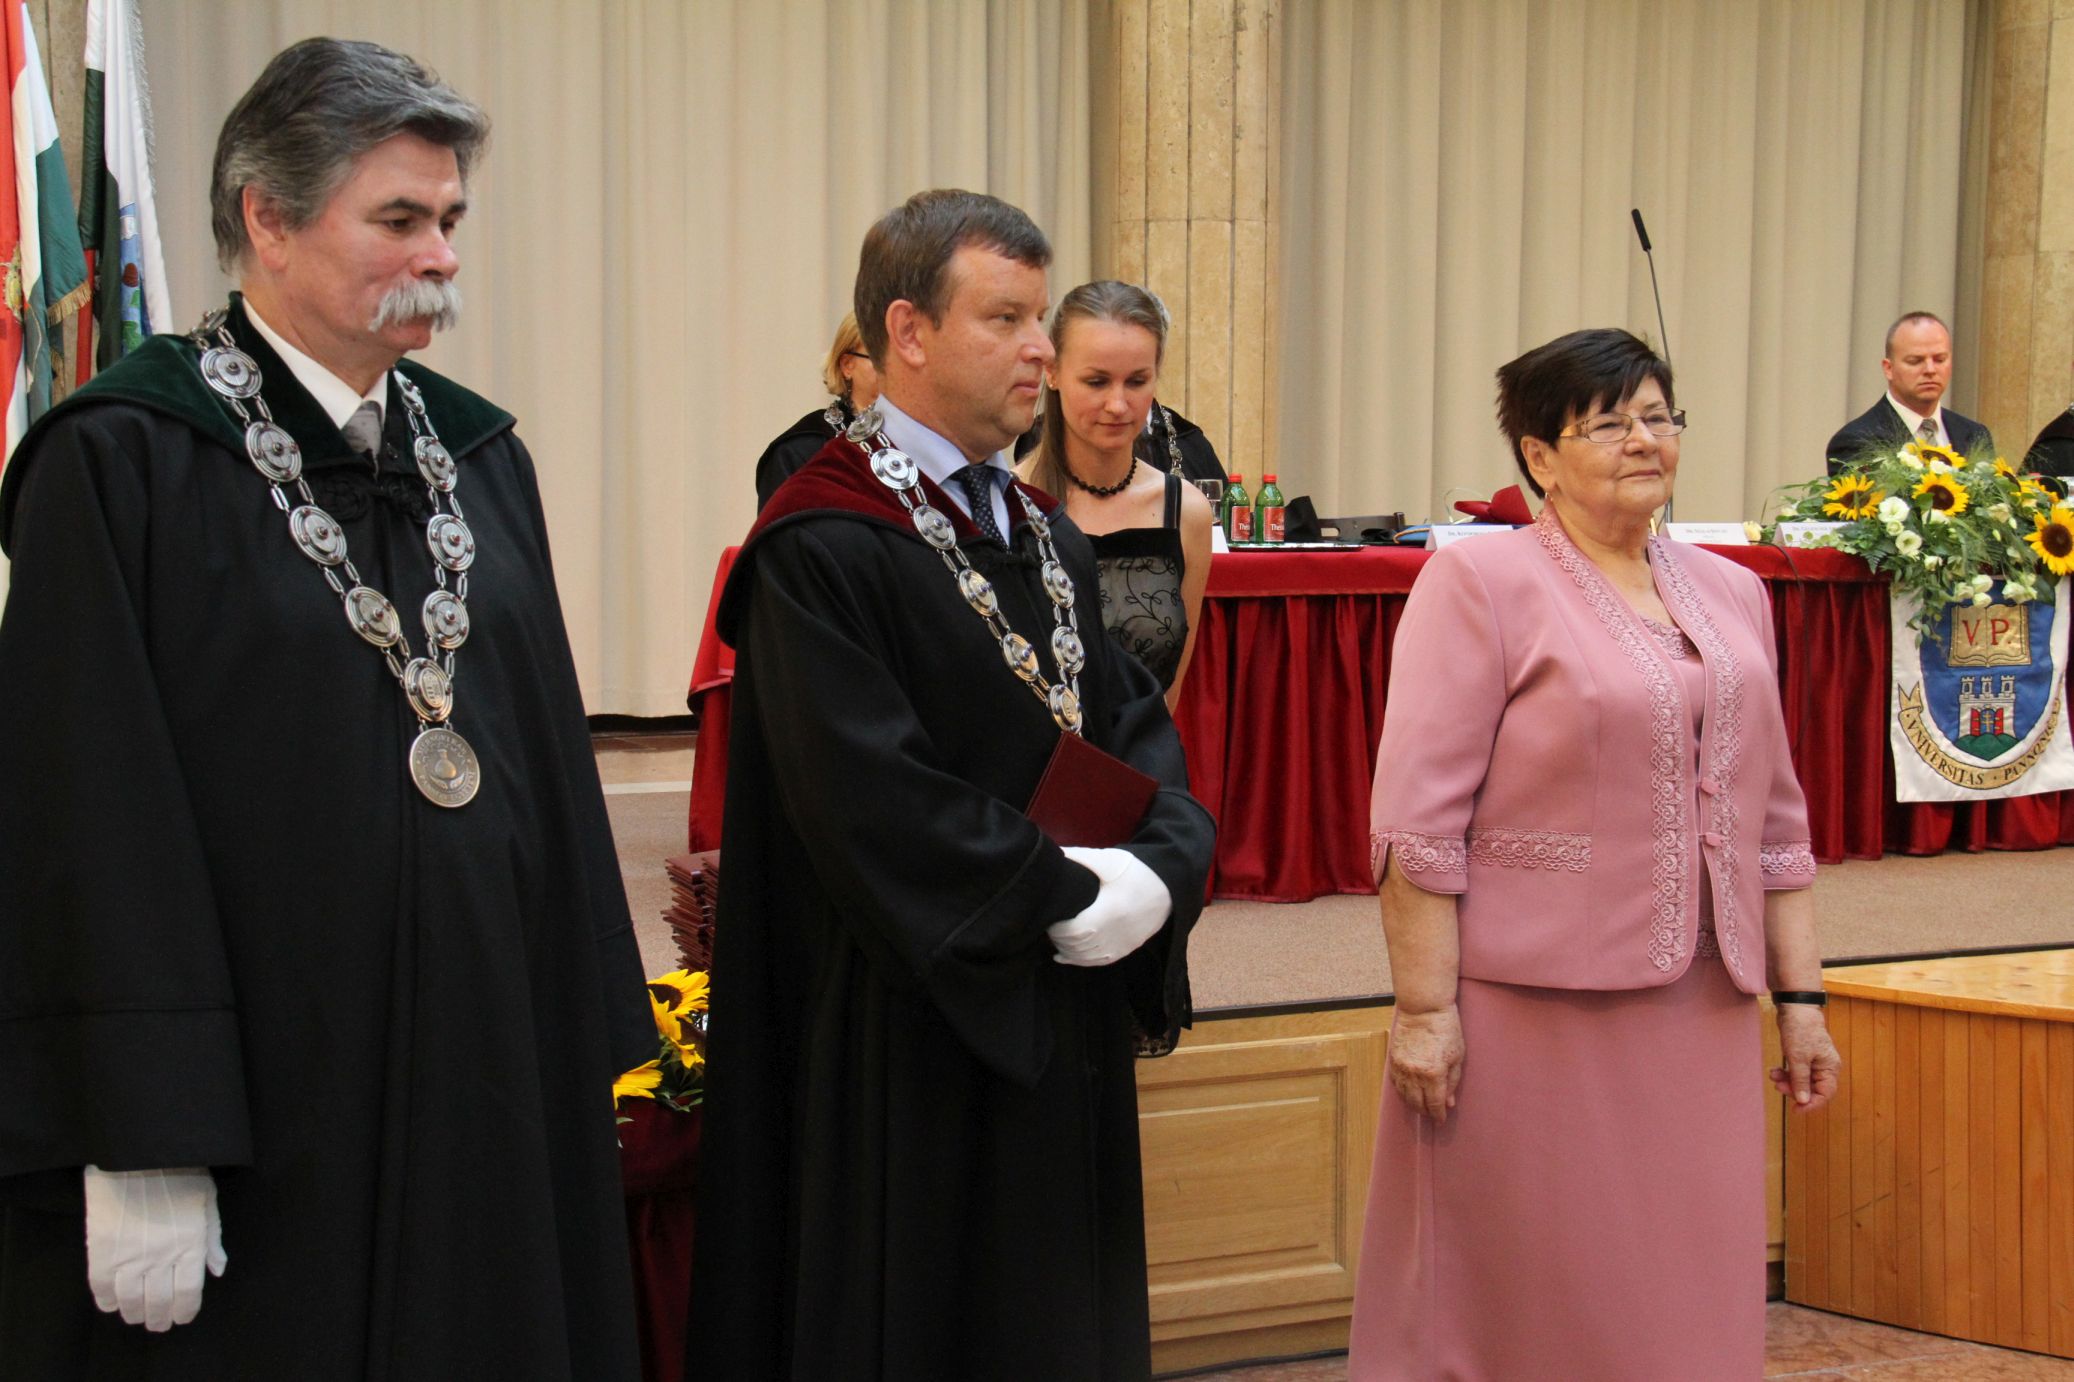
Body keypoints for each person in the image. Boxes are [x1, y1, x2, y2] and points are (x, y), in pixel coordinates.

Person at [0, 38, 651, 1379]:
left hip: (485, 1070)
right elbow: (88, 821)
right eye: (399, 219)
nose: (442, 256)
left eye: (450, 219)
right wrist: (141, 1132)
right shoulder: (119, 461)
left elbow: (544, 759)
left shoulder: (480, 454)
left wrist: (579, 1034)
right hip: (268, 1105)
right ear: (269, 219)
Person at [689, 189, 1215, 1380]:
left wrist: (1162, 864)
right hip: (908, 1019)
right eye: (1006, 319)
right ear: (908, 331)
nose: (1040, 349)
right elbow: (869, 796)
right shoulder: (821, 540)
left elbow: (1134, 726)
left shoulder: (1042, 532)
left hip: (1055, 993)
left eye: (1041, 318)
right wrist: (1063, 893)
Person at [1351, 328, 1842, 1381]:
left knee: (1682, 1281)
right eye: (1609, 422)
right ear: (1539, 455)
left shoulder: (1734, 591)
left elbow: (1777, 823)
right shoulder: (1480, 582)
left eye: (1659, 417)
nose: (1643, 440)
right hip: (1533, 1013)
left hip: (1704, 1005)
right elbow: (1416, 823)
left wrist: (1802, 999)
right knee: (1543, 1288)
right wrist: (1424, 1011)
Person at [1016, 281, 1215, 705]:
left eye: (1137, 381)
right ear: (1052, 371)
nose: (1118, 405)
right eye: (1096, 382)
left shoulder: (1185, 511)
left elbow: (1169, 696)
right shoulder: (1006, 499)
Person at [1825, 311, 1992, 473]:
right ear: (1888, 368)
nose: (1930, 370)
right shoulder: (1856, 441)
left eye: (1940, 360)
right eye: (1915, 361)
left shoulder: (1975, 435)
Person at [753, 310, 881, 509]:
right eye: (879, 356)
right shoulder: (801, 450)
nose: (894, 368)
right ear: (847, 365)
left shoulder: (925, 440)